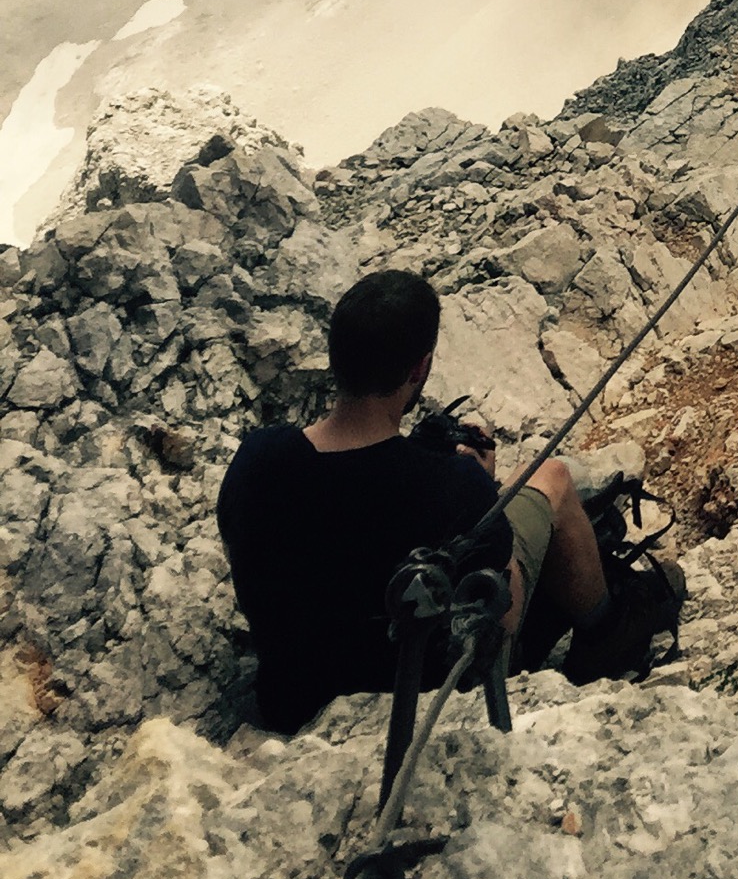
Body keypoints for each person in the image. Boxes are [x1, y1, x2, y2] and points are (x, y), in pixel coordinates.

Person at [218, 267, 677, 733]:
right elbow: (500, 599)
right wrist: (481, 492)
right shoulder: (450, 485)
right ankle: (606, 631)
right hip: (426, 694)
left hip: (290, 701)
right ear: (420, 367)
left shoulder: (258, 457)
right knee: (550, 477)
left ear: (335, 358)